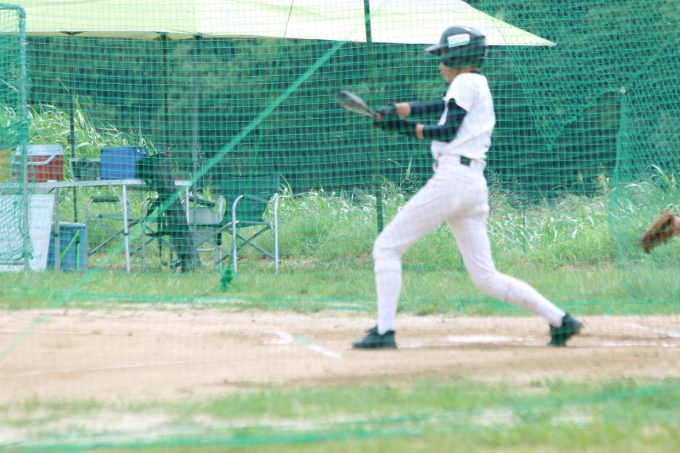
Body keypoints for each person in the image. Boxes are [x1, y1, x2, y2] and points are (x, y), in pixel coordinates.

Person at [352, 26, 582, 349]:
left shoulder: (464, 82)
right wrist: (397, 110)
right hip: (473, 185)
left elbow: (447, 131)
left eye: (444, 55)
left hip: (453, 180)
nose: (440, 62)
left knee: (386, 248)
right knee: (486, 278)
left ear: (459, 56)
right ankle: (561, 320)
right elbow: (439, 106)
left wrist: (402, 128)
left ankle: (384, 332)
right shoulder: (475, 83)